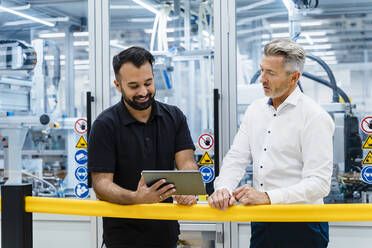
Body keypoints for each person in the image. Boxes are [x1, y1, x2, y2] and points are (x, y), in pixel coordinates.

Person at [208, 38, 335, 248]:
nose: (262, 79)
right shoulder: (255, 110)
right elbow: (236, 158)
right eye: (262, 70)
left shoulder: (314, 117)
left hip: (303, 224)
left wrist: (267, 197)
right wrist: (223, 188)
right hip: (263, 220)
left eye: (271, 73)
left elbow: (319, 183)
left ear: (294, 77)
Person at [88, 46, 198, 248]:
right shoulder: (105, 125)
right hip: (122, 238)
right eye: (133, 86)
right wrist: (136, 198)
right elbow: (101, 185)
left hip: (166, 234)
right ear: (118, 85)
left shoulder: (174, 117)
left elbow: (187, 163)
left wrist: (188, 188)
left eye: (148, 83)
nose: (143, 92)